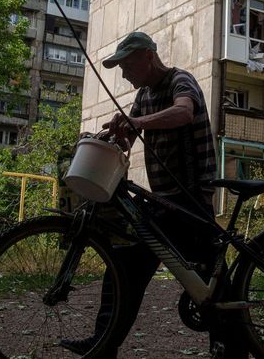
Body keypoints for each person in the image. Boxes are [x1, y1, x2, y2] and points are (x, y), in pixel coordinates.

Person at [61, 31, 247, 359]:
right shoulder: (144, 95)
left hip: (190, 199)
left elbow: (184, 112)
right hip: (165, 200)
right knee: (125, 265)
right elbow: (130, 137)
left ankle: (231, 349)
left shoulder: (180, 81)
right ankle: (103, 344)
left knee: (210, 282)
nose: (123, 73)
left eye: (126, 64)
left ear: (148, 56)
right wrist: (114, 140)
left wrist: (136, 121)